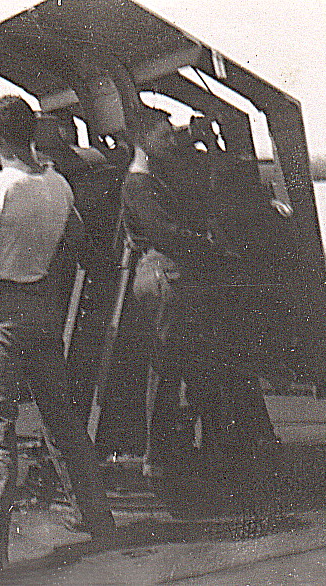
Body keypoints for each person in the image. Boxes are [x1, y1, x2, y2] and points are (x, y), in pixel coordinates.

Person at [0, 96, 114, 581]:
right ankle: (97, 518)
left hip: (4, 312)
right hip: (43, 307)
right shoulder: (58, 184)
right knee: (60, 418)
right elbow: (78, 237)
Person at [121, 107, 279, 479]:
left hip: (180, 278)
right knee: (167, 368)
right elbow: (164, 234)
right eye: (162, 137)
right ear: (141, 142)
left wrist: (206, 146)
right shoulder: (139, 184)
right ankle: (158, 456)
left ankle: (197, 449)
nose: (170, 143)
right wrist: (211, 249)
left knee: (193, 363)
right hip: (164, 278)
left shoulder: (159, 179)